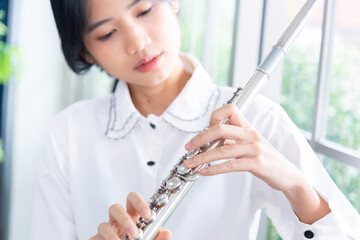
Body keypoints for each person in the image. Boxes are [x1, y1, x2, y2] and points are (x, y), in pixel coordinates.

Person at [30, 0, 360, 239]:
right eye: (107, 33)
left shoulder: (257, 118)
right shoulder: (68, 132)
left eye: (144, 10)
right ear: (85, 51)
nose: (138, 43)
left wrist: (295, 183)